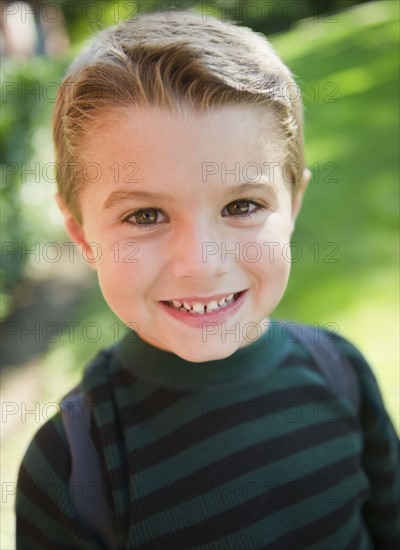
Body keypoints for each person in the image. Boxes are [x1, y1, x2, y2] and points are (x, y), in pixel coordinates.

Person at [15, 10, 399, 549]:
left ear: (293, 206)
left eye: (243, 204)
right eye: (145, 215)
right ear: (81, 235)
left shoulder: (343, 375)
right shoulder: (72, 469)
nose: (201, 261)